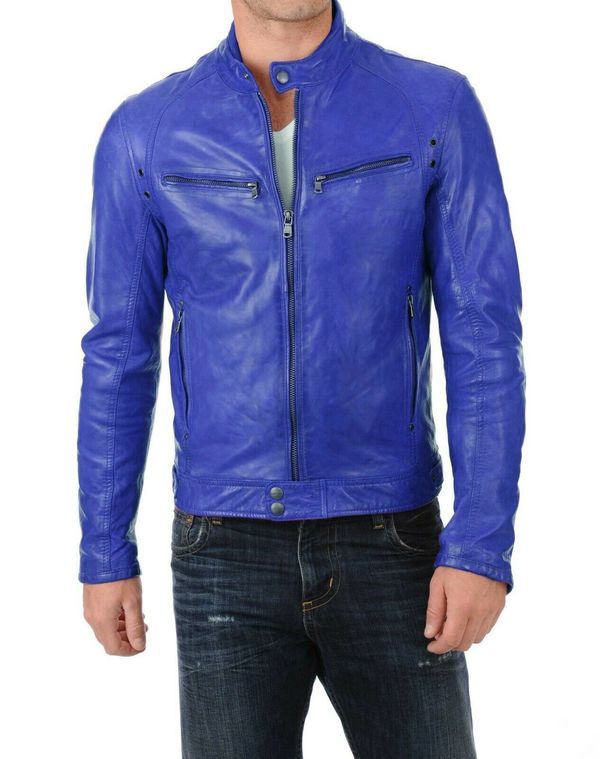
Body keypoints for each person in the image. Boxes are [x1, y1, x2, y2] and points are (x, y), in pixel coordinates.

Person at [78, 0, 526, 756]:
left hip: (393, 540)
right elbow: (118, 353)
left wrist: (481, 542)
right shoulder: (145, 131)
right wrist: (103, 550)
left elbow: (484, 337)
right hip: (222, 548)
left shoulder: (433, 108)